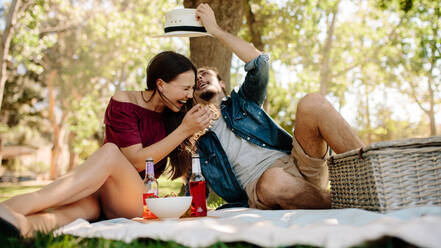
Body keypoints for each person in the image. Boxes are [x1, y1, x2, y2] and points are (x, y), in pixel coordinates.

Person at [0, 51, 213, 237]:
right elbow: (135, 159)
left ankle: (12, 207)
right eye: (185, 88)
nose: (189, 95)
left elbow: (137, 164)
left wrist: (187, 129)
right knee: (69, 214)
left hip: (139, 199)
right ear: (160, 84)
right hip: (103, 192)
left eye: (191, 88)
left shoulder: (178, 116)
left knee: (110, 152)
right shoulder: (125, 103)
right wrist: (183, 129)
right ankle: (21, 225)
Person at [190, 4, 364, 210]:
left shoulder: (243, 102)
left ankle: (373, 177)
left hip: (299, 163)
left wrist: (215, 31)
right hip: (263, 186)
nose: (199, 77)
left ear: (222, 84)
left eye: (204, 73)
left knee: (312, 102)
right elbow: (193, 181)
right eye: (195, 78)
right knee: (274, 181)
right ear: (190, 93)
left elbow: (259, 61)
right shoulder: (196, 135)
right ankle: (351, 203)